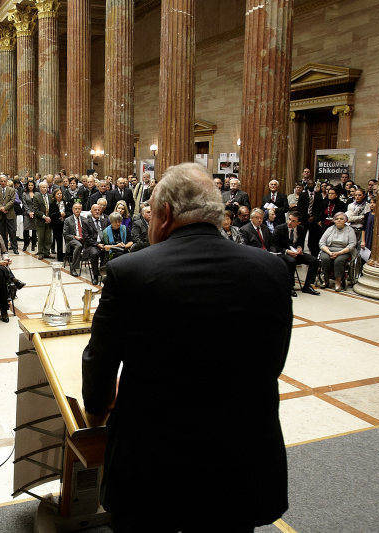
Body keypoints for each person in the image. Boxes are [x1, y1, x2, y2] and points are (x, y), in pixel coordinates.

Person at [82, 162, 290, 532]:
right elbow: (273, 362)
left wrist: (96, 416)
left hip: (152, 461)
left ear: (164, 213)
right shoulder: (271, 270)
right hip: (240, 458)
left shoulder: (129, 272)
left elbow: (100, 362)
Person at [271, 212, 321, 296]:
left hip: (295, 252)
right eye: (289, 219)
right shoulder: (279, 228)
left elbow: (300, 243)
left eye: (293, 221)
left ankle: (307, 286)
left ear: (298, 223)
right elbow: (273, 245)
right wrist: (286, 251)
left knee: (314, 260)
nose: (289, 222)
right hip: (282, 252)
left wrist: (300, 248)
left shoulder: (301, 229)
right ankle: (290, 287)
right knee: (292, 261)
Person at [319, 212, 357, 292]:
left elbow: (352, 245)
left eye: (341, 219)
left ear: (345, 220)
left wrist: (338, 253)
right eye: (337, 219)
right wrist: (329, 252)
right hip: (329, 250)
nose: (339, 220)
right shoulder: (330, 229)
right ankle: (326, 280)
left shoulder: (350, 230)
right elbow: (322, 243)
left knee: (338, 261)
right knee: (325, 259)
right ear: (334, 220)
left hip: (343, 251)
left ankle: (338, 282)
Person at [82, 203, 109, 285]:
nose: (97, 212)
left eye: (98, 210)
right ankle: (95, 275)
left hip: (103, 243)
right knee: (94, 253)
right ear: (91, 211)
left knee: (110, 252)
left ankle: (104, 271)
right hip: (92, 245)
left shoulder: (105, 221)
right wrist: (97, 244)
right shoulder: (86, 222)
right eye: (95, 210)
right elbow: (86, 237)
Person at [0, 175, 19, 254]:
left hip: (9, 213)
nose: (3, 183)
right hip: (0, 214)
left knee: (12, 232)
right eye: (2, 181)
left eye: (4, 181)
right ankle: (4, 249)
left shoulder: (11, 190)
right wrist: (1, 208)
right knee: (2, 232)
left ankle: (15, 248)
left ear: (7, 181)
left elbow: (12, 201)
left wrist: (5, 208)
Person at [63, 202, 85, 275]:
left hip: (84, 239)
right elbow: (65, 234)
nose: (77, 210)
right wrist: (75, 237)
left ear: (81, 210)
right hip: (72, 240)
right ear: (72, 210)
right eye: (76, 209)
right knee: (78, 245)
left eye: (79, 209)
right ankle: (73, 268)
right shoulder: (68, 220)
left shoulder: (85, 220)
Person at [33, 181, 54, 259]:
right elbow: (36, 210)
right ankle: (41, 252)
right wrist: (44, 217)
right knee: (41, 237)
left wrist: (49, 217)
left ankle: (47, 252)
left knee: (48, 237)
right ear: (39, 188)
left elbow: (52, 208)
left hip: (49, 220)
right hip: (40, 220)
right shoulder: (36, 197)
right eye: (43, 187)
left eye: (46, 187)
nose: (45, 189)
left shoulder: (50, 196)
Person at [49, 188, 69, 262]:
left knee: (67, 240)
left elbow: (70, 212)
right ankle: (60, 257)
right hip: (57, 225)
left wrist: (65, 214)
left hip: (66, 224)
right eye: (58, 194)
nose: (60, 195)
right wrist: (59, 214)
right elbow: (51, 215)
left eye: (60, 193)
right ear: (54, 195)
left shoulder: (66, 203)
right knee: (59, 241)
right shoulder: (52, 204)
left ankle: (68, 255)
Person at [21, 180, 37, 252]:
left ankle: (33, 244)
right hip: (27, 214)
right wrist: (29, 212)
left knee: (34, 230)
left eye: (32, 185)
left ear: (34, 186)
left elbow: (37, 204)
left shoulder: (36, 193)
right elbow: (24, 204)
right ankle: (25, 244)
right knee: (26, 229)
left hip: (35, 214)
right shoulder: (24, 193)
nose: (30, 186)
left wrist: (34, 212)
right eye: (29, 185)